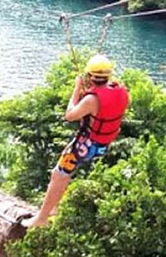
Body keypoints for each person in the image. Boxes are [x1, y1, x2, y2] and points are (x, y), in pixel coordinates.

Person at [23, 54, 129, 228]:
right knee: (61, 169)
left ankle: (41, 219)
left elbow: (70, 115)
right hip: (103, 144)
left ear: (90, 76)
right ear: (108, 75)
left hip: (86, 146)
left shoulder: (91, 99)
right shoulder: (122, 91)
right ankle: (54, 210)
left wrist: (77, 88)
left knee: (59, 175)